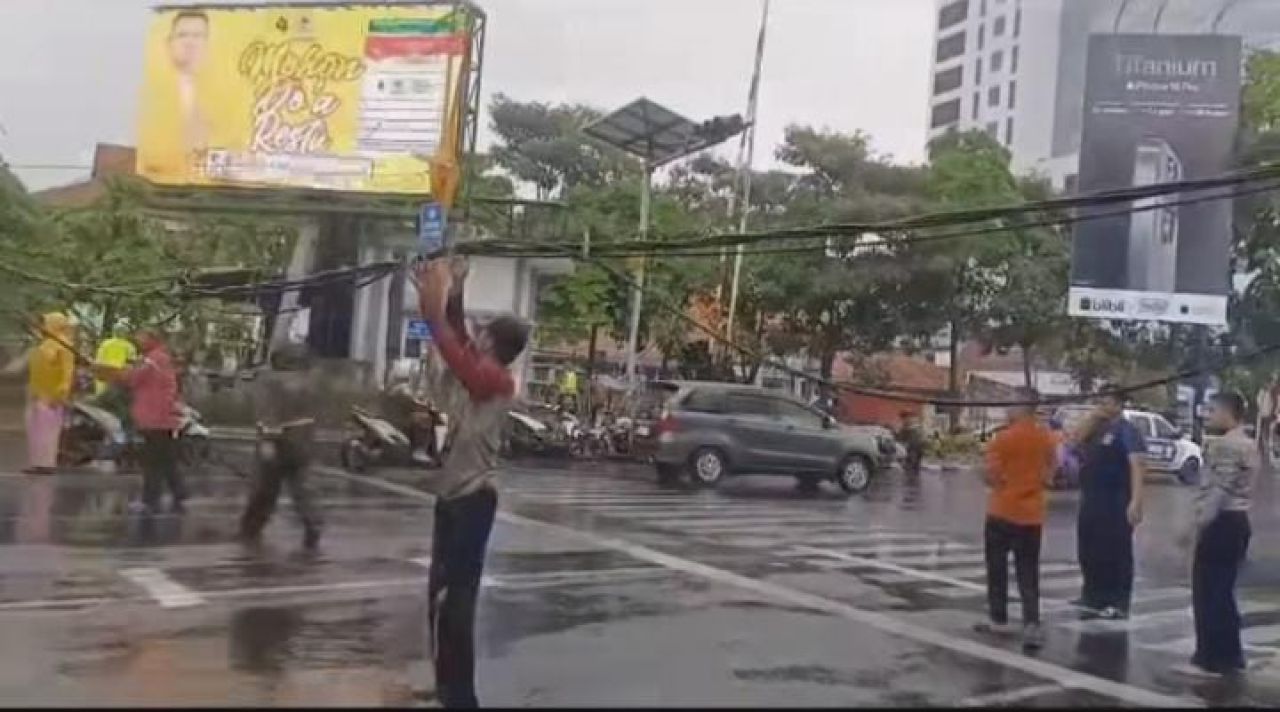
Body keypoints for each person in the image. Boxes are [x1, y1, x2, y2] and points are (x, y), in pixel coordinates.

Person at [416, 257, 529, 709]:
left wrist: (434, 315)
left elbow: (456, 351)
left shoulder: (496, 380)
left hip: (474, 499)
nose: (474, 335)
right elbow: (459, 339)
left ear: (493, 343)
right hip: (452, 496)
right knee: (439, 598)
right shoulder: (479, 370)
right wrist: (455, 292)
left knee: (457, 601)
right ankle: (447, 689)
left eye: (482, 333)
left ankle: (462, 698)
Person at [1173, 392, 1257, 678]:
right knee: (1222, 590)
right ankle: (1230, 656)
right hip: (1238, 521)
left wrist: (1196, 526)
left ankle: (1210, 658)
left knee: (1209, 591)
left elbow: (1219, 490)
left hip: (1221, 522)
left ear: (1226, 412)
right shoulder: (1248, 443)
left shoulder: (1227, 445)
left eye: (1212, 411)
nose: (1207, 416)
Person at [975, 389, 1056, 651]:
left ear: (1021, 407)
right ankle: (1031, 622)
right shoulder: (1046, 438)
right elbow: (1052, 471)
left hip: (1002, 511)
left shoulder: (1003, 439)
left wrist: (989, 476)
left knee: (997, 568)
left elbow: (991, 475)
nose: (1006, 409)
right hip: (1031, 515)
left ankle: (998, 618)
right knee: (1028, 571)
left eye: (1010, 404)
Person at [238, 343, 322, 550]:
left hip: (278, 442)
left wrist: (267, 440)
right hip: (302, 442)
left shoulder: (271, 382)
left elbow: (268, 413)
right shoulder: (310, 381)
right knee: (301, 489)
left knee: (264, 490)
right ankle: (312, 522)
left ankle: (250, 528)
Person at [1073, 391, 1146, 620]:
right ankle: (1092, 595)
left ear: (1118, 404)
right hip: (1092, 496)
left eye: (1106, 402)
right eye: (1100, 401)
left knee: (1116, 551)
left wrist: (1136, 500)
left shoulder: (1127, 431)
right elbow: (1075, 440)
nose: (1102, 406)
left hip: (1116, 498)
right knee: (1089, 547)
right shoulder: (1097, 428)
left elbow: (1137, 465)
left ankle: (1118, 601)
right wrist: (1091, 418)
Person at [100, 330, 185, 513]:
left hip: (154, 417)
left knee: (153, 461)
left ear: (153, 339)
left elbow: (132, 379)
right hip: (164, 416)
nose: (138, 340)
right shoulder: (161, 359)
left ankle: (150, 499)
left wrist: (107, 371)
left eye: (142, 337)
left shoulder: (151, 361)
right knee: (166, 458)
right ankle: (179, 492)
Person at [24, 312, 77, 475]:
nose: (42, 326)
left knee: (48, 431)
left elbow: (68, 372)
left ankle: (47, 463)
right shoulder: (44, 344)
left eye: (44, 322)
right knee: (35, 430)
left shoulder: (64, 346)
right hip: (36, 392)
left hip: (52, 395)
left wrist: (61, 393)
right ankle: (36, 462)